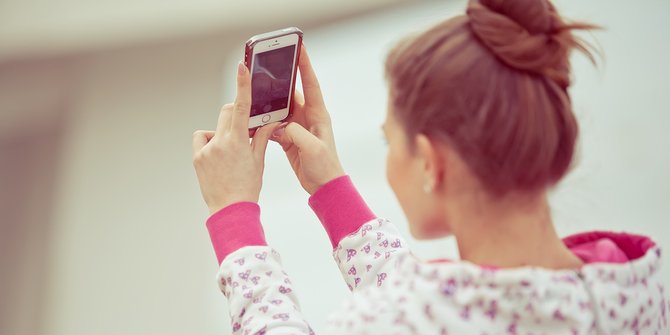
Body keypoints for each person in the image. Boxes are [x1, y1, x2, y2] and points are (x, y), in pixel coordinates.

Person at [191, 0, 668, 333]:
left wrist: (234, 217)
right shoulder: (635, 289)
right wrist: (331, 188)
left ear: (432, 163)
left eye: (389, 141)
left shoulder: (399, 320)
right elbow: (446, 307)